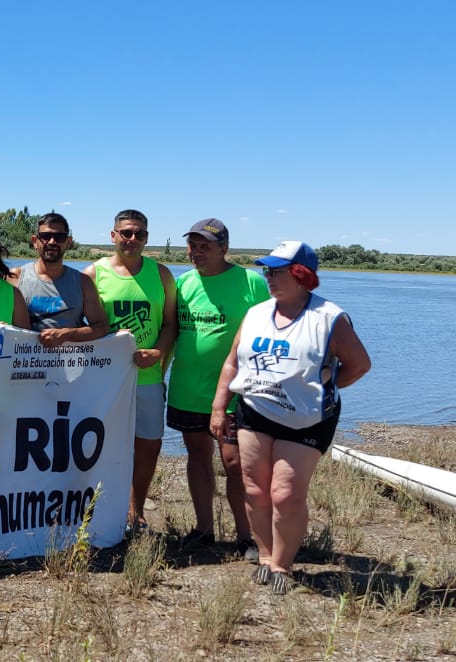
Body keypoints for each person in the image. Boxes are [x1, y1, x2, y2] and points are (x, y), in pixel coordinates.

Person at [211, 241, 370, 594]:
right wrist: (219, 406)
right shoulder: (256, 314)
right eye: (266, 271)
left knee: (285, 494)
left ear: (301, 276)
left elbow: (359, 365)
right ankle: (266, 557)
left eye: (276, 271)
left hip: (307, 419)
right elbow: (233, 362)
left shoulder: (329, 318)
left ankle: (283, 564)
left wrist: (320, 387)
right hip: (254, 410)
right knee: (254, 488)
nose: (268, 277)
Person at [167, 219, 269, 556]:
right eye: (192, 246)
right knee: (197, 456)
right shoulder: (182, 284)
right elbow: (169, 329)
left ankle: (245, 536)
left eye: (205, 246)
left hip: (235, 391)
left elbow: (269, 330)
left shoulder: (251, 283)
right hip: (187, 388)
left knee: (235, 462)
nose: (196, 252)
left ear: (224, 248)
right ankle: (204, 530)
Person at [83, 209, 176, 533]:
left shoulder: (161, 274)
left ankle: (135, 512)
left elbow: (169, 324)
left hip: (147, 378)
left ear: (147, 238)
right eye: (126, 232)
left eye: (138, 233)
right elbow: (83, 325)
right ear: (113, 236)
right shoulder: (94, 274)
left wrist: (160, 351)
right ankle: (100, 509)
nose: (132, 239)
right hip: (106, 380)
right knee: (100, 445)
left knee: (148, 445)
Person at [12, 213, 109, 344]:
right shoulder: (14, 278)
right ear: (35, 241)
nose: (52, 242)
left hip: (68, 362)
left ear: (68, 242)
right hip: (24, 361)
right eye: (45, 236)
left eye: (59, 237)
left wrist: (67, 335)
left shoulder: (83, 283)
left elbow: (102, 327)